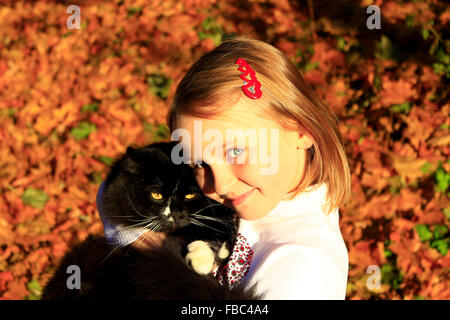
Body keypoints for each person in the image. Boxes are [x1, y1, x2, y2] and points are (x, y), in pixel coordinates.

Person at [96, 36, 351, 299]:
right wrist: (138, 239)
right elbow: (116, 188)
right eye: (198, 162)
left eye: (236, 151)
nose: (219, 184)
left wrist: (164, 265)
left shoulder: (304, 268)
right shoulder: (252, 192)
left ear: (301, 131)